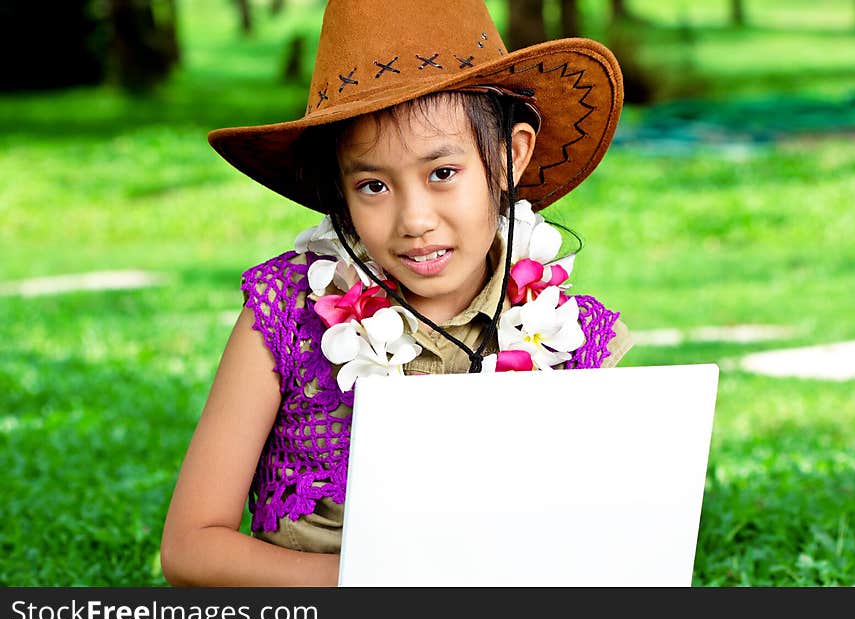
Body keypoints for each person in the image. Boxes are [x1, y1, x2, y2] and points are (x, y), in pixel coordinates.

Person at [160, 0, 633, 587]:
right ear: (340, 186)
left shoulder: (565, 336)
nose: (414, 220)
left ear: (512, 155)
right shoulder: (286, 314)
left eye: (442, 173)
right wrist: (380, 585)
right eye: (373, 184)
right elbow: (190, 549)